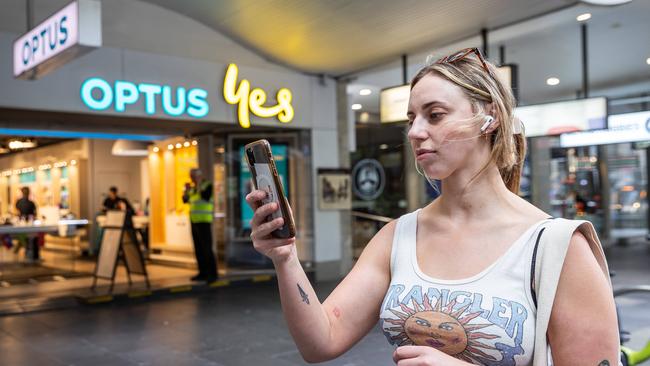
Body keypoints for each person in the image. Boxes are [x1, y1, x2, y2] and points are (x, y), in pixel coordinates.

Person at [246, 48, 619, 365]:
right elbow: (321, 341)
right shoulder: (399, 235)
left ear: (488, 118)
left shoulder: (558, 247)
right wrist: (285, 257)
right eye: (411, 118)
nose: (414, 132)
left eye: (435, 115)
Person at [183, 168, 217, 282]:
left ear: (199, 176)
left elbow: (206, 197)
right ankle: (202, 272)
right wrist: (186, 190)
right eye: (191, 176)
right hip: (194, 221)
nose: (192, 178)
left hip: (204, 221)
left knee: (207, 248)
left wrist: (197, 184)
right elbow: (185, 200)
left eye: (194, 176)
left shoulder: (207, 185)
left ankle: (212, 274)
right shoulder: (192, 189)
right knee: (198, 249)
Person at [16, 186, 39, 260]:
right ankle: (31, 254)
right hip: (28, 224)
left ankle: (28, 252)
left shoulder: (19, 202)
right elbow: (34, 213)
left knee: (27, 238)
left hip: (24, 223)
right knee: (29, 238)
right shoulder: (31, 203)